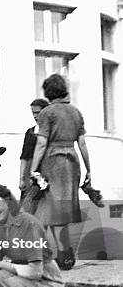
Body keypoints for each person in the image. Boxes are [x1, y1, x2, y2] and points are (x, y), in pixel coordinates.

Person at [29, 74, 92, 270]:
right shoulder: (76, 112)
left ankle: (58, 252)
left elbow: (41, 143)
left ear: (48, 92)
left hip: (53, 161)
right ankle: (64, 252)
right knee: (63, 209)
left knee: (51, 209)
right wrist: (89, 170)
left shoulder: (48, 113)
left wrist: (33, 169)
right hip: (72, 162)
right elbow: (82, 143)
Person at [19, 98, 49, 200]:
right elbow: (24, 157)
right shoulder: (30, 132)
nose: (35, 116)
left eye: (38, 113)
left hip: (47, 174)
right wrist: (22, 178)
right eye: (33, 113)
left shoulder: (52, 133)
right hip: (30, 176)